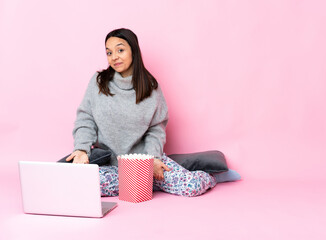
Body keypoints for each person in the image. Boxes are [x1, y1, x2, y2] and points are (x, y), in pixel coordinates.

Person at [63, 28, 217, 197]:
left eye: (120, 50)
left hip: (145, 163)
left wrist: (153, 158)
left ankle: (213, 176)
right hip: (110, 167)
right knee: (79, 184)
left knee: (192, 186)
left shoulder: (151, 87)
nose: (114, 57)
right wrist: (81, 149)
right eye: (109, 52)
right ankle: (146, 184)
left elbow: (156, 129)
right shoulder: (98, 82)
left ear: (133, 51)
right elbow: (86, 119)